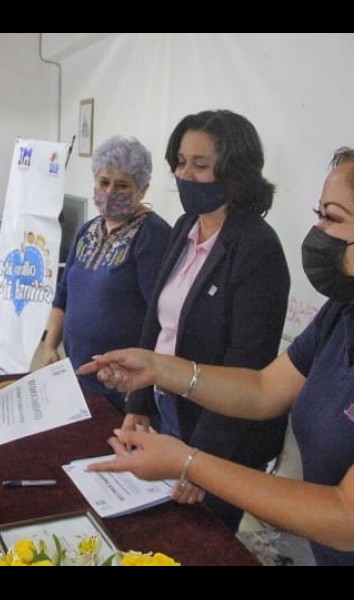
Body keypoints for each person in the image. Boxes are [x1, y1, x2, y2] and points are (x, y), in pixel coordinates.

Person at [79, 140, 354, 565]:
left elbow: (352, 516)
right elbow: (265, 389)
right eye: (319, 214)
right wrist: (158, 368)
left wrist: (188, 462)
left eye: (333, 218)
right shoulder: (352, 306)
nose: (318, 233)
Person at [122, 110, 290, 531]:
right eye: (180, 162)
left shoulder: (257, 247)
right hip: (167, 405)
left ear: (235, 172)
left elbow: (246, 366)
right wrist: (139, 402)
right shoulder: (185, 226)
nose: (185, 175)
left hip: (219, 432)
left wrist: (203, 459)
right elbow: (157, 322)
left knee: (202, 537)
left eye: (200, 165)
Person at [43, 135, 171, 411]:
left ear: (143, 189)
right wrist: (51, 344)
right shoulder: (88, 229)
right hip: (78, 372)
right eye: (104, 182)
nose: (110, 191)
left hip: (123, 382)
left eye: (122, 185)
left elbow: (160, 317)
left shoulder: (153, 235)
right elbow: (64, 293)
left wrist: (141, 387)